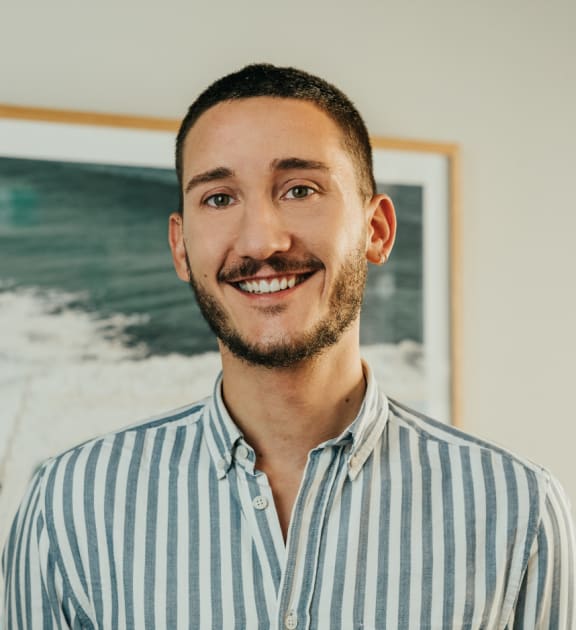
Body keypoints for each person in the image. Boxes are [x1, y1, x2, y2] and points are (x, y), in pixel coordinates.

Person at [2, 64, 575, 629]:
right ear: (180, 248)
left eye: (300, 189)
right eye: (220, 198)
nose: (261, 241)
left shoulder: (517, 509)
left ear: (376, 230)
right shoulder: (68, 505)